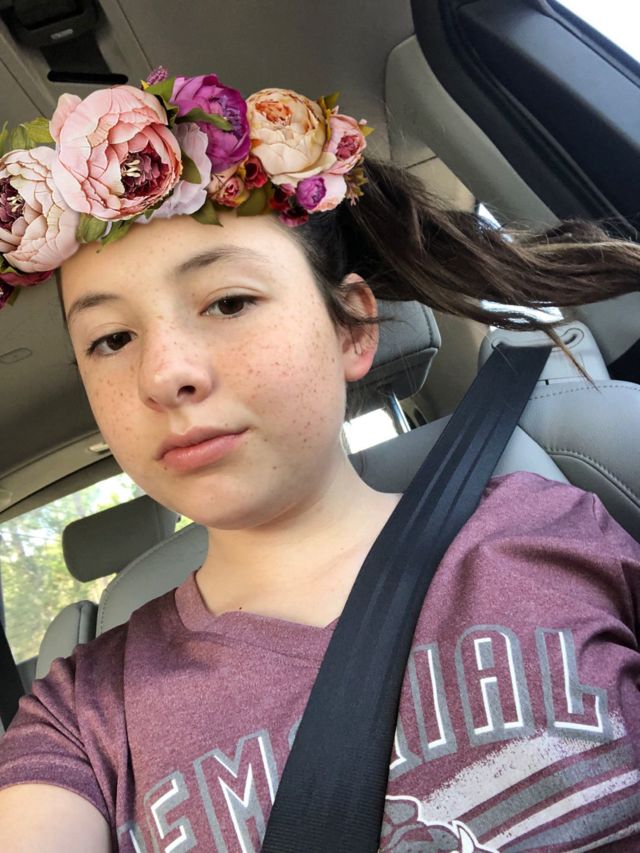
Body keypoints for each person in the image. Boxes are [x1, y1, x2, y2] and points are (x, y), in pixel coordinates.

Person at [0, 70, 639, 853]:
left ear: (352, 330)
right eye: (111, 339)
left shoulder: (548, 525)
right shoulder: (79, 718)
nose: (164, 375)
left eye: (229, 301)